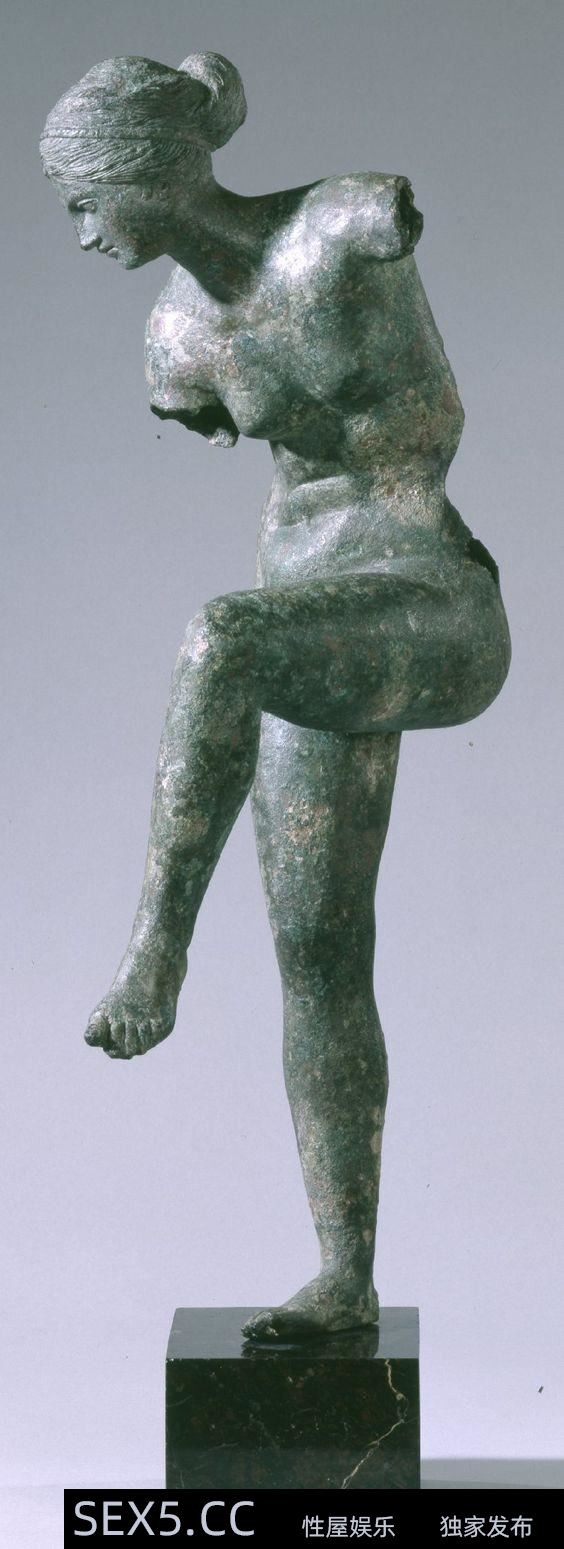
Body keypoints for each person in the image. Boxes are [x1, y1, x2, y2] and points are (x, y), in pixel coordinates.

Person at [40, 52, 511, 1339]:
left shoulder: (347, 225)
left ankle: (156, 948)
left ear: (148, 168)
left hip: (426, 593)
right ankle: (345, 1278)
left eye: (85, 199)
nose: (80, 231)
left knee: (216, 636)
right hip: (305, 628)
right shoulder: (176, 338)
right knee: (318, 956)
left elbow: (385, 232)